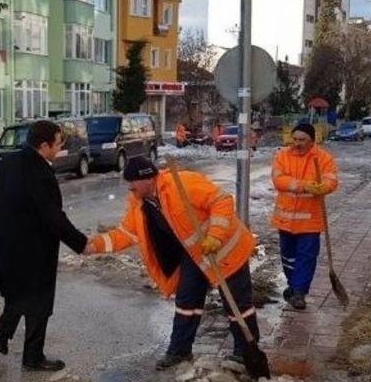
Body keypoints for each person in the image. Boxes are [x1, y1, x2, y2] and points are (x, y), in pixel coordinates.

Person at [85, 157, 259, 370]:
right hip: (194, 255)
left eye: (133, 182)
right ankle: (179, 351)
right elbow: (126, 233)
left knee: (237, 304)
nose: (129, 187)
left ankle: (246, 352)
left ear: (148, 179)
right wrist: (95, 246)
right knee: (187, 301)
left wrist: (215, 235)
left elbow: (221, 201)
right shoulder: (138, 202)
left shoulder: (182, 183)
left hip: (225, 250)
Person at [0, 120, 89, 372]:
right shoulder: (40, 172)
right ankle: (32, 357)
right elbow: (52, 216)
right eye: (58, 144)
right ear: (44, 145)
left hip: (7, 245)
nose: (60, 149)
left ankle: (2, 336)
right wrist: (80, 243)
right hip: (34, 248)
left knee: (17, 293)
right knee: (39, 303)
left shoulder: (8, 162)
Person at [270, 124, 339, 310]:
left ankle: (300, 292)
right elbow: (278, 180)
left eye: (302, 140)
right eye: (295, 139)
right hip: (285, 219)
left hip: (310, 220)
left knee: (306, 257)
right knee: (288, 257)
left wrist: (323, 187)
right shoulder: (282, 155)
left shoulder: (323, 158)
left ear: (312, 141)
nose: (297, 143)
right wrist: (304, 186)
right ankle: (293, 286)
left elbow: (331, 180)